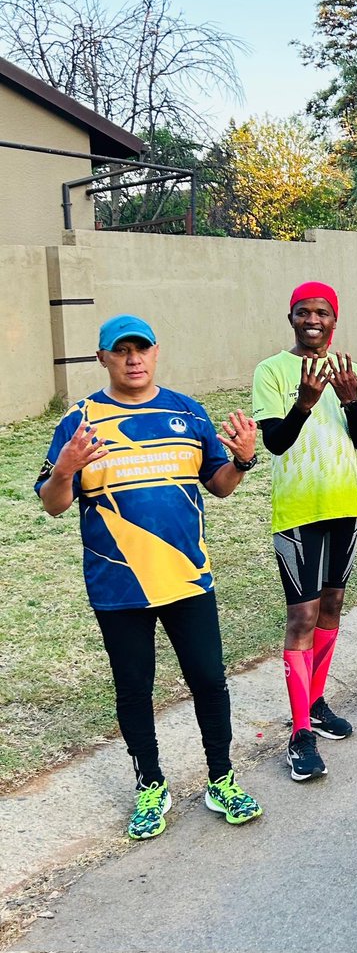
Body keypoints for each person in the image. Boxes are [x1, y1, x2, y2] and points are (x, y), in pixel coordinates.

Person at [35, 314, 263, 840]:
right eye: (121, 351)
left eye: (141, 349)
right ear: (103, 358)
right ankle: (150, 785)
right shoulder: (79, 421)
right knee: (134, 689)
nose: (133, 359)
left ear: (156, 352)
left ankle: (222, 779)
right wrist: (65, 468)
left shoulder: (187, 411)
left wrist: (243, 461)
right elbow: (52, 504)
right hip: (118, 585)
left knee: (208, 680)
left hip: (187, 578)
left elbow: (219, 485)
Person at [252, 282, 357, 782]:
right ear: (291, 318)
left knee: (332, 606)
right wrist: (303, 404)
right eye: (303, 312)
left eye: (321, 312)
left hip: (343, 507)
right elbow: (275, 443)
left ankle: (316, 701)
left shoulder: (350, 371)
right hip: (298, 512)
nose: (312, 320)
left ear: (333, 320)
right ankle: (300, 732)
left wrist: (350, 401)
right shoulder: (271, 371)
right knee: (301, 616)